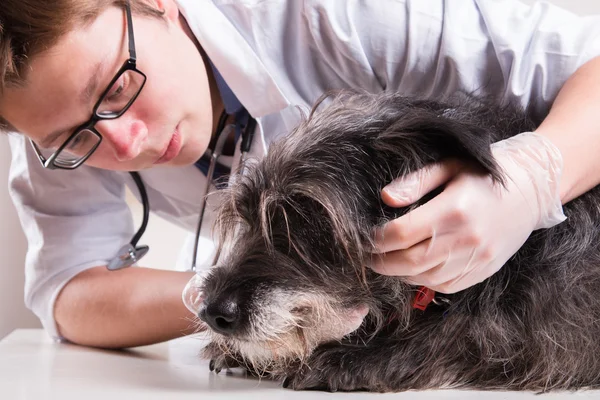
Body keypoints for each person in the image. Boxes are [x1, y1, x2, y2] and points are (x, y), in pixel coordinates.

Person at [1, 0, 600, 349]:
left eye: (120, 85)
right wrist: (225, 296)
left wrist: (535, 177)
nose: (127, 141)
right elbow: (68, 293)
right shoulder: (57, 133)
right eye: (74, 137)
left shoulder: (339, 15)